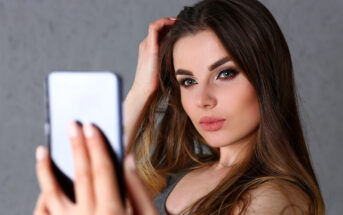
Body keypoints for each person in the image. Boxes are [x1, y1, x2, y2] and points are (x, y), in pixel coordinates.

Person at [34, 0, 325, 214]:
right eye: (187, 81)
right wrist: (141, 91)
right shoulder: (172, 176)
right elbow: (78, 190)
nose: (202, 100)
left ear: (266, 77)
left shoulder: (276, 200)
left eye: (225, 74)